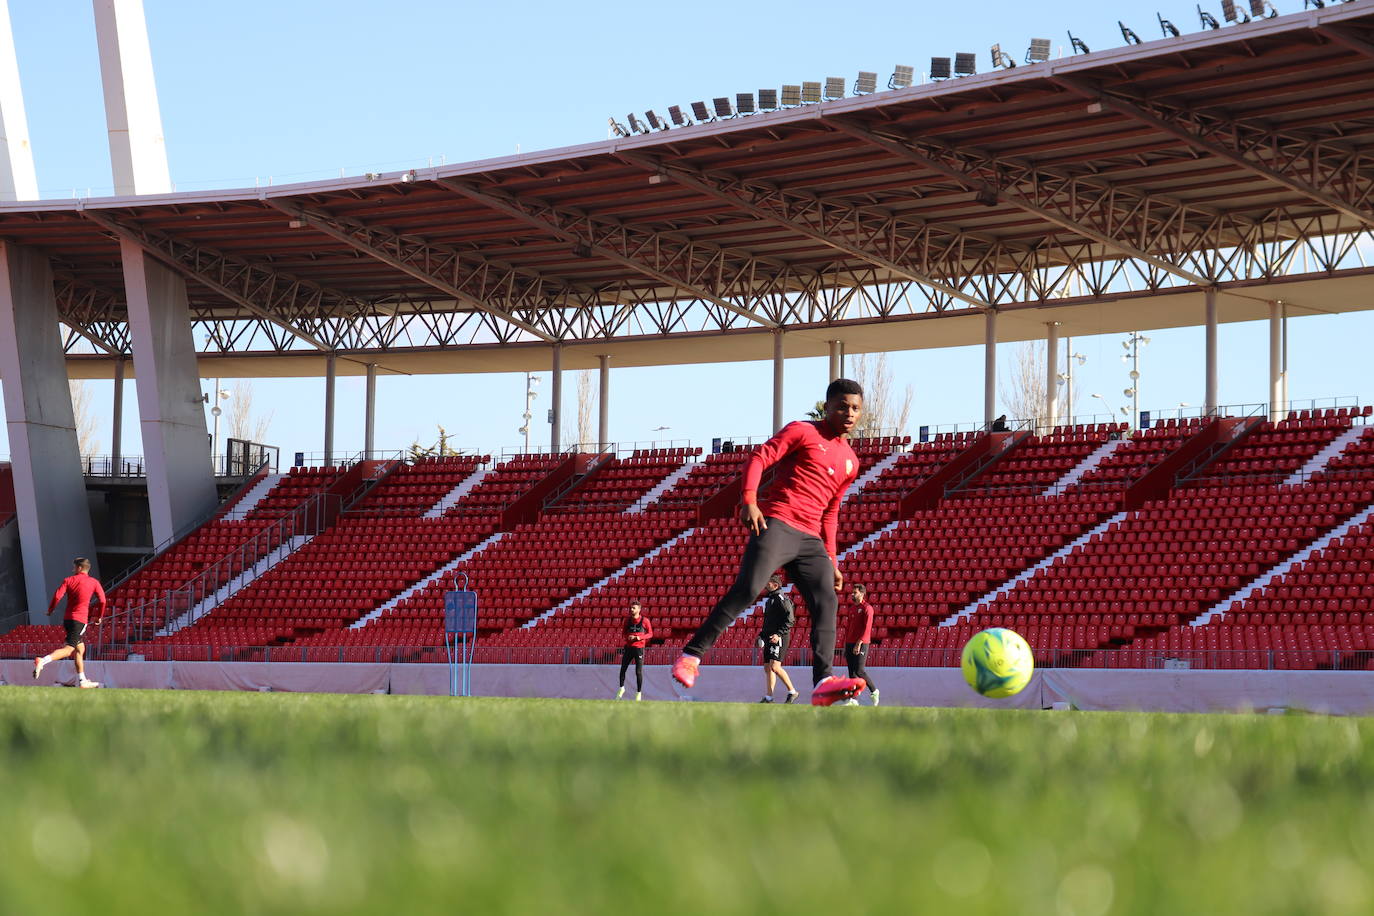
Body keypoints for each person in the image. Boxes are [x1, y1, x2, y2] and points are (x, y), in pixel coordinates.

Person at [671, 379, 868, 706]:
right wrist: (750, 500)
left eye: (856, 408)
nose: (849, 413)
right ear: (827, 406)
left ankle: (823, 683)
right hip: (778, 522)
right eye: (842, 406)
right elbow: (759, 458)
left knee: (827, 602)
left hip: (810, 540)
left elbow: (832, 512)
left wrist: (832, 559)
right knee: (749, 589)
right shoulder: (803, 431)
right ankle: (690, 656)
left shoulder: (850, 460)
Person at [33, 558, 106, 689]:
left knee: (80, 648)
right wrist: (99, 617)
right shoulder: (94, 582)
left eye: (74, 567)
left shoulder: (68, 580)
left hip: (68, 620)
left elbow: (57, 596)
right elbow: (102, 601)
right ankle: (43, 661)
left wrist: (50, 610)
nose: (72, 569)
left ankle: (82, 680)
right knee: (68, 650)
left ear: (79, 568)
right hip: (80, 620)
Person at [757, 574, 799, 704]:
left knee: (775, 666)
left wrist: (778, 634)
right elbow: (768, 622)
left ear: (775, 585)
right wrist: (762, 635)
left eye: (768, 582)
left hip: (779, 637)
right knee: (767, 667)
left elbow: (790, 619)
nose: (766, 584)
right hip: (769, 637)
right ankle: (769, 697)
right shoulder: (770, 600)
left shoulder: (781, 599)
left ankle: (792, 691)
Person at [841, 584, 879, 706]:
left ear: (862, 594)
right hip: (850, 642)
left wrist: (858, 643)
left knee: (860, 670)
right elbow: (848, 628)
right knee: (851, 672)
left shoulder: (867, 608)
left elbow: (867, 629)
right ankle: (853, 699)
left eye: (855, 592)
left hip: (862, 643)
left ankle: (874, 691)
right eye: (852, 592)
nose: (852, 594)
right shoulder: (851, 608)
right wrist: (845, 645)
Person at [616, 602, 652, 700]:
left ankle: (638, 693)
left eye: (634, 608)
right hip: (628, 648)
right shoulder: (627, 620)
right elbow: (623, 633)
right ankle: (621, 688)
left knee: (638, 672)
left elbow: (650, 634)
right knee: (623, 669)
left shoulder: (645, 621)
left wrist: (638, 638)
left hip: (639, 649)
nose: (631, 610)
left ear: (639, 610)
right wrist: (628, 637)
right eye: (631, 608)